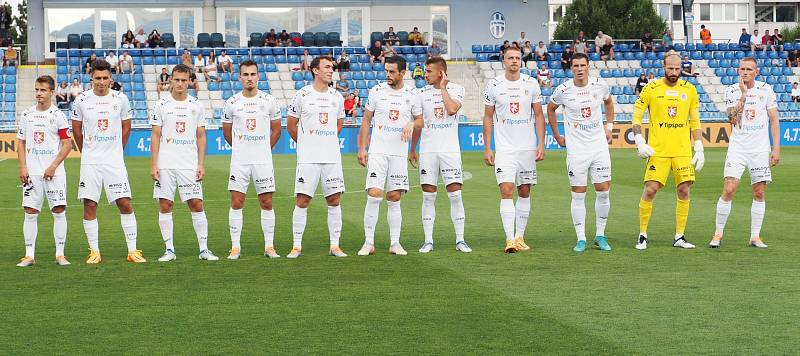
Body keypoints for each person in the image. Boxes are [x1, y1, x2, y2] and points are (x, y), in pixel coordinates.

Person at [71, 59, 144, 263]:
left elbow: (126, 127)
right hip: (91, 162)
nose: (101, 82)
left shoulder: (120, 99)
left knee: (124, 203)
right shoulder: (81, 100)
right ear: (91, 78)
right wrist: (87, 152)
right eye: (97, 78)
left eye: (105, 78)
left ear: (111, 78)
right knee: (90, 204)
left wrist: (116, 151)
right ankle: (94, 251)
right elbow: (76, 130)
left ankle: (132, 250)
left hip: (114, 161)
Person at [631, 52, 704, 250]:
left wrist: (699, 146)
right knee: (651, 189)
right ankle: (642, 234)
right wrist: (639, 140)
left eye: (677, 68)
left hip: (682, 151)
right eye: (670, 68)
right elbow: (636, 116)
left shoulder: (689, 90)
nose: (673, 72)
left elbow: (695, 121)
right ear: (663, 67)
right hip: (658, 150)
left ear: (682, 68)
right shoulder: (651, 88)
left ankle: (679, 236)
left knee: (684, 190)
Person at [710, 58, 781, 249]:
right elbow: (732, 119)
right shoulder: (732, 90)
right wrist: (743, 95)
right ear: (738, 71)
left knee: (759, 192)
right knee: (729, 188)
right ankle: (717, 234)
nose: (745, 72)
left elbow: (774, 119)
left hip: (759, 149)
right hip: (738, 148)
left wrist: (776, 148)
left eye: (749, 69)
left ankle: (755, 236)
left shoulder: (766, 90)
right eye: (742, 69)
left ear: (756, 72)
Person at [546, 52, 614, 252]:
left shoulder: (599, 85)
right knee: (578, 193)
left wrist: (609, 127)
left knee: (603, 191)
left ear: (588, 66)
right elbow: (550, 109)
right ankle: (581, 238)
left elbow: (609, 102)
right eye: (576, 66)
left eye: (582, 65)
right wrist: (558, 136)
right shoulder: (563, 90)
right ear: (571, 68)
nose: (579, 69)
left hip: (599, 147)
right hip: (577, 151)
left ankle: (600, 235)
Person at [356, 55, 423, 256]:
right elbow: (366, 120)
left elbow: (420, 121)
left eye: (392, 72)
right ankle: (368, 243)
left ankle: (395, 243)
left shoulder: (412, 94)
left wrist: (412, 123)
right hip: (378, 151)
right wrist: (362, 147)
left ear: (402, 73)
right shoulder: (376, 91)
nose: (388, 75)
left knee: (394, 197)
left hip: (399, 154)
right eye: (386, 71)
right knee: (374, 194)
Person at [150, 64, 218, 262]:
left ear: (190, 81)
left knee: (196, 204)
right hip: (165, 163)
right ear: (170, 80)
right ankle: (169, 250)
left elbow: (201, 135)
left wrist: (201, 164)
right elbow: (155, 135)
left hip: (188, 163)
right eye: (176, 80)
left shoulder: (196, 105)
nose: (180, 84)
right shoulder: (161, 105)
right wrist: (154, 165)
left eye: (183, 80)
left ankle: (204, 249)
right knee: (165, 205)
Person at [482, 46, 545, 253]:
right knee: (506, 190)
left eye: (518, 58)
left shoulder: (531, 84)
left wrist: (540, 143)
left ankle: (520, 237)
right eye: (510, 58)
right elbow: (488, 116)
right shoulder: (494, 85)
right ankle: (509, 239)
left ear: (521, 61)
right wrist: (488, 147)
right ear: (504, 60)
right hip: (505, 149)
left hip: (526, 148)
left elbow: (538, 115)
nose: (514, 61)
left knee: (524, 191)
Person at [285, 55, 348, 258]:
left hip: (331, 157)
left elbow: (339, 124)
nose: (331, 70)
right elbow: (291, 124)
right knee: (303, 200)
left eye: (332, 67)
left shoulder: (337, 96)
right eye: (327, 67)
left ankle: (335, 245)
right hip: (308, 158)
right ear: (315, 70)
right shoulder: (302, 95)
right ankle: (296, 246)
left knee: (334, 200)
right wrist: (306, 143)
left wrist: (326, 139)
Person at [409, 56, 471, 253]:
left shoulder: (457, 89)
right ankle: (428, 240)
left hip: (450, 151)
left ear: (441, 73)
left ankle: (460, 240)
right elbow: (419, 123)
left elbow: (452, 109)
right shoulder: (420, 93)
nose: (424, 75)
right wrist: (413, 149)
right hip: (428, 151)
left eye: (428, 71)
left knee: (455, 195)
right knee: (428, 196)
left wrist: (443, 88)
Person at [222, 60, 282, 260]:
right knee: (237, 201)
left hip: (263, 160)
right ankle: (235, 247)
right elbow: (227, 133)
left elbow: (276, 130)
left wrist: (264, 148)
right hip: (240, 161)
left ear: (258, 77)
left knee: (266, 202)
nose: (249, 78)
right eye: (245, 74)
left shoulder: (269, 101)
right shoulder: (231, 103)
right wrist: (241, 148)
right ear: (239, 77)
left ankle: (269, 247)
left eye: (252, 74)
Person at [15, 75, 73, 267]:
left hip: (54, 172)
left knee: (58, 210)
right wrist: (23, 166)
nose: (39, 93)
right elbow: (21, 142)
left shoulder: (58, 115)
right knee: (30, 212)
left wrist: (53, 166)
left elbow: (67, 145)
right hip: (32, 172)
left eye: (43, 90)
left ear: (51, 92)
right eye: (37, 90)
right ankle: (29, 255)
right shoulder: (27, 115)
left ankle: (60, 254)